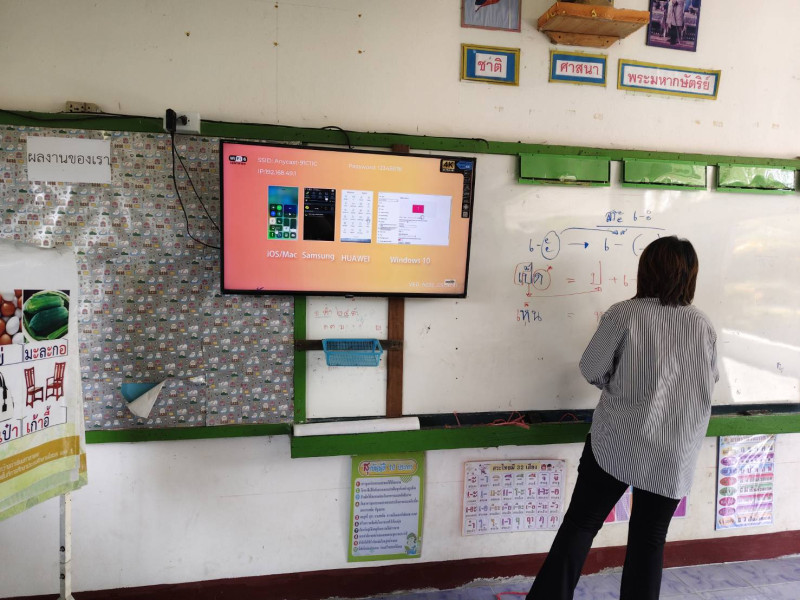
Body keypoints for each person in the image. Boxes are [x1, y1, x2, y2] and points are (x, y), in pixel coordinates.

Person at [526, 236, 719, 600]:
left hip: (618, 442)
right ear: (690, 276)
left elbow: (591, 368)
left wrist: (621, 383)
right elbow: (709, 381)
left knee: (581, 525)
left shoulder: (623, 314)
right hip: (673, 451)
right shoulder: (702, 325)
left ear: (646, 270)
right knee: (649, 540)